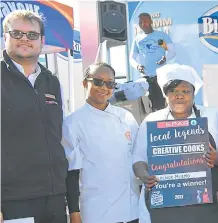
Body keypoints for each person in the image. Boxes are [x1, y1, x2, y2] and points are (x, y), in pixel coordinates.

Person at [132, 64, 218, 223]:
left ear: (193, 93)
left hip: (207, 205)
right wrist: (144, 175)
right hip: (166, 206)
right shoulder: (152, 120)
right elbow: (138, 157)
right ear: (165, 94)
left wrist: (217, 158)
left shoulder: (212, 115)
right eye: (173, 91)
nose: (179, 96)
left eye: (185, 91)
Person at [1, 10, 69, 223]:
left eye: (32, 35)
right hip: (13, 200)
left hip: (55, 197)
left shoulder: (51, 81)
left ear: (42, 40)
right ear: (5, 37)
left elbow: (58, 136)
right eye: (17, 33)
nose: (25, 39)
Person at [62, 62, 140, 223]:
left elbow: (140, 156)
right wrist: (74, 213)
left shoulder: (126, 118)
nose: (104, 87)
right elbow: (71, 173)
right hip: (95, 210)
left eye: (110, 83)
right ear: (85, 83)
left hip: (130, 208)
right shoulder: (72, 123)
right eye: (97, 82)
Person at [129, 12, 176, 112]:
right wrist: (138, 66)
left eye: (145, 21)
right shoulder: (137, 39)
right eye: (140, 22)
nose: (143, 24)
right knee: (149, 106)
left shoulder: (161, 36)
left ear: (151, 22)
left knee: (162, 103)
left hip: (160, 75)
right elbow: (132, 58)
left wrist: (165, 59)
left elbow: (172, 51)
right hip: (146, 77)